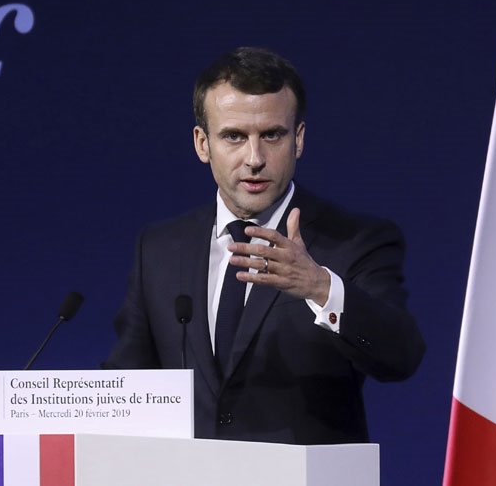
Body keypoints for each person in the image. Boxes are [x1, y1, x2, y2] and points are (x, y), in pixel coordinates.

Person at [102, 47, 425, 444]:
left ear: (299, 140)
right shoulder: (160, 248)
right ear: (203, 144)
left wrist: (322, 288)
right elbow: (129, 379)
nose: (254, 158)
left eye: (272, 135)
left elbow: (401, 357)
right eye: (234, 136)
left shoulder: (355, 240)